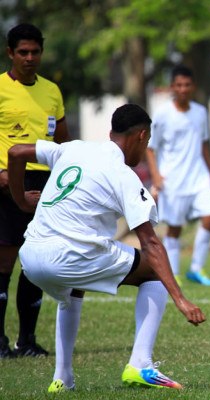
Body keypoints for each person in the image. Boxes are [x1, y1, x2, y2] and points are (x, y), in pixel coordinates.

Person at [8, 104, 206, 392]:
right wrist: (181, 299)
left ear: (111, 132)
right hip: (68, 257)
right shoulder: (122, 174)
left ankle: (62, 379)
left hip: (31, 257)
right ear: (141, 136)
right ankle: (141, 364)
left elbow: (15, 153)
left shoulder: (73, 148)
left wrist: (21, 200)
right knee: (154, 273)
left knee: (74, 288)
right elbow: (150, 243)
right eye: (147, 141)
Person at [0, 23, 71, 358]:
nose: (30, 58)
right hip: (7, 181)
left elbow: (64, 143)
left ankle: (26, 341)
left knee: (36, 260)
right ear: (10, 53)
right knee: (5, 261)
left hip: (45, 186)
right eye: (23, 52)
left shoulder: (52, 91)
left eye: (35, 52)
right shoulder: (0, 87)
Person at [146, 65, 210, 286]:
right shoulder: (162, 114)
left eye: (187, 85)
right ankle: (174, 272)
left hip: (199, 178)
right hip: (173, 180)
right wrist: (156, 176)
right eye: (179, 85)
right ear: (172, 87)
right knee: (175, 228)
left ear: (193, 86)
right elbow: (150, 147)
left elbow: (203, 144)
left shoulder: (200, 112)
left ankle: (196, 269)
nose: (183, 89)